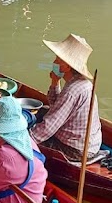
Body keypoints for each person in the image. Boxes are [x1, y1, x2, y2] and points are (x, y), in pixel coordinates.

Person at [30, 34, 103, 162]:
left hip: (76, 149)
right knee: (43, 111)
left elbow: (49, 126)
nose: (54, 62)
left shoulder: (73, 90)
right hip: (89, 143)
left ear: (67, 66)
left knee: (36, 133)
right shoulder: (77, 83)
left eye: (58, 59)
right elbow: (55, 106)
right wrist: (54, 82)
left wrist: (25, 139)